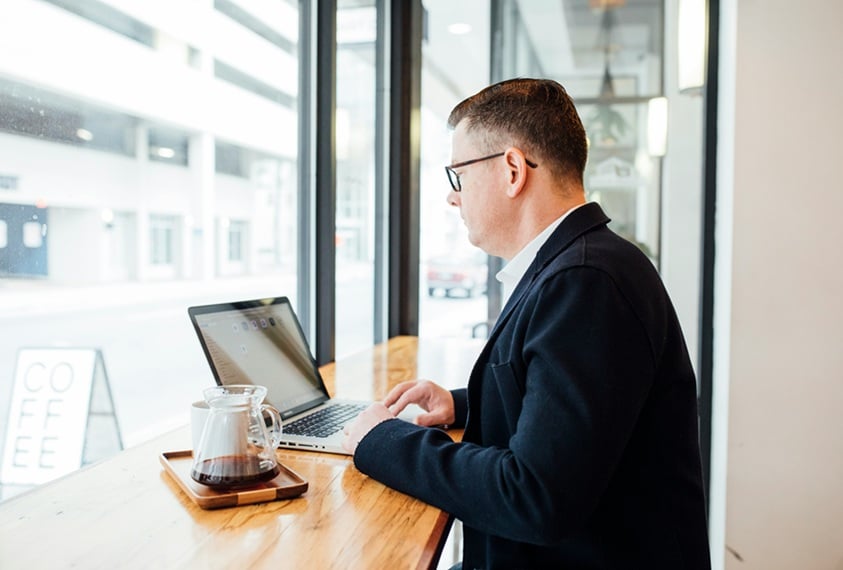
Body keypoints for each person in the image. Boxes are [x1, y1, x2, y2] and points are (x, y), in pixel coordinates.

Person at [342, 78, 711, 569]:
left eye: (459, 176)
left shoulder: (586, 281)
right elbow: (573, 406)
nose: (454, 199)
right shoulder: (586, 263)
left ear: (512, 170)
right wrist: (458, 404)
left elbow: (534, 497)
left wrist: (382, 441)